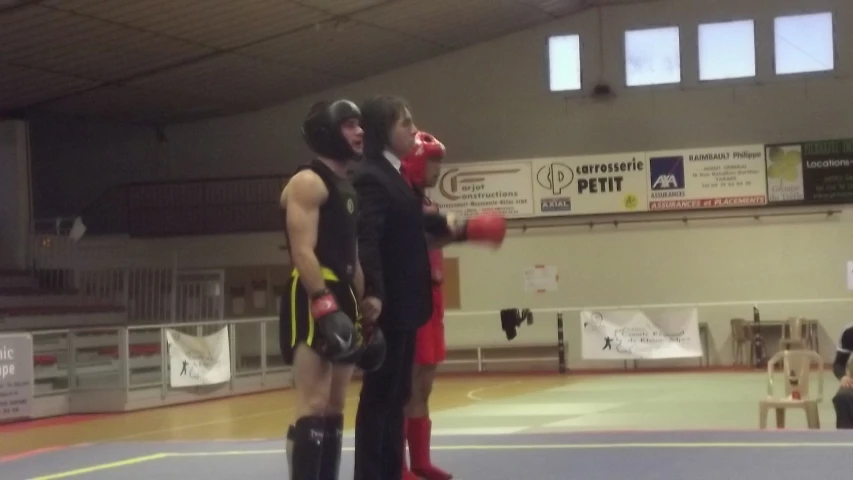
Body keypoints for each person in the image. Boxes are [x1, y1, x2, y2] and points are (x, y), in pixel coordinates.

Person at [351, 95, 507, 480]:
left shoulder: (398, 177)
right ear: (382, 131)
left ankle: (390, 472)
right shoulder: (372, 175)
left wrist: (468, 228)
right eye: (404, 123)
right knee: (380, 399)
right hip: (389, 304)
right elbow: (366, 239)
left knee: (396, 398)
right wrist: (371, 291)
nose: (412, 129)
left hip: (408, 305)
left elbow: (421, 223)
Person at [279, 99, 384, 480]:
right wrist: (322, 302)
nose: (359, 133)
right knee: (314, 400)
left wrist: (363, 310)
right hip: (311, 290)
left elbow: (351, 259)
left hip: (342, 289)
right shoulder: (308, 181)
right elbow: (301, 249)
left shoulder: (346, 188)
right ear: (327, 133)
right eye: (349, 126)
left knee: (336, 403)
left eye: (359, 126)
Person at [832, 324, 853, 428]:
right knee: (843, 397)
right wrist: (843, 376)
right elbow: (839, 364)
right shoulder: (849, 332)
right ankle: (847, 439)